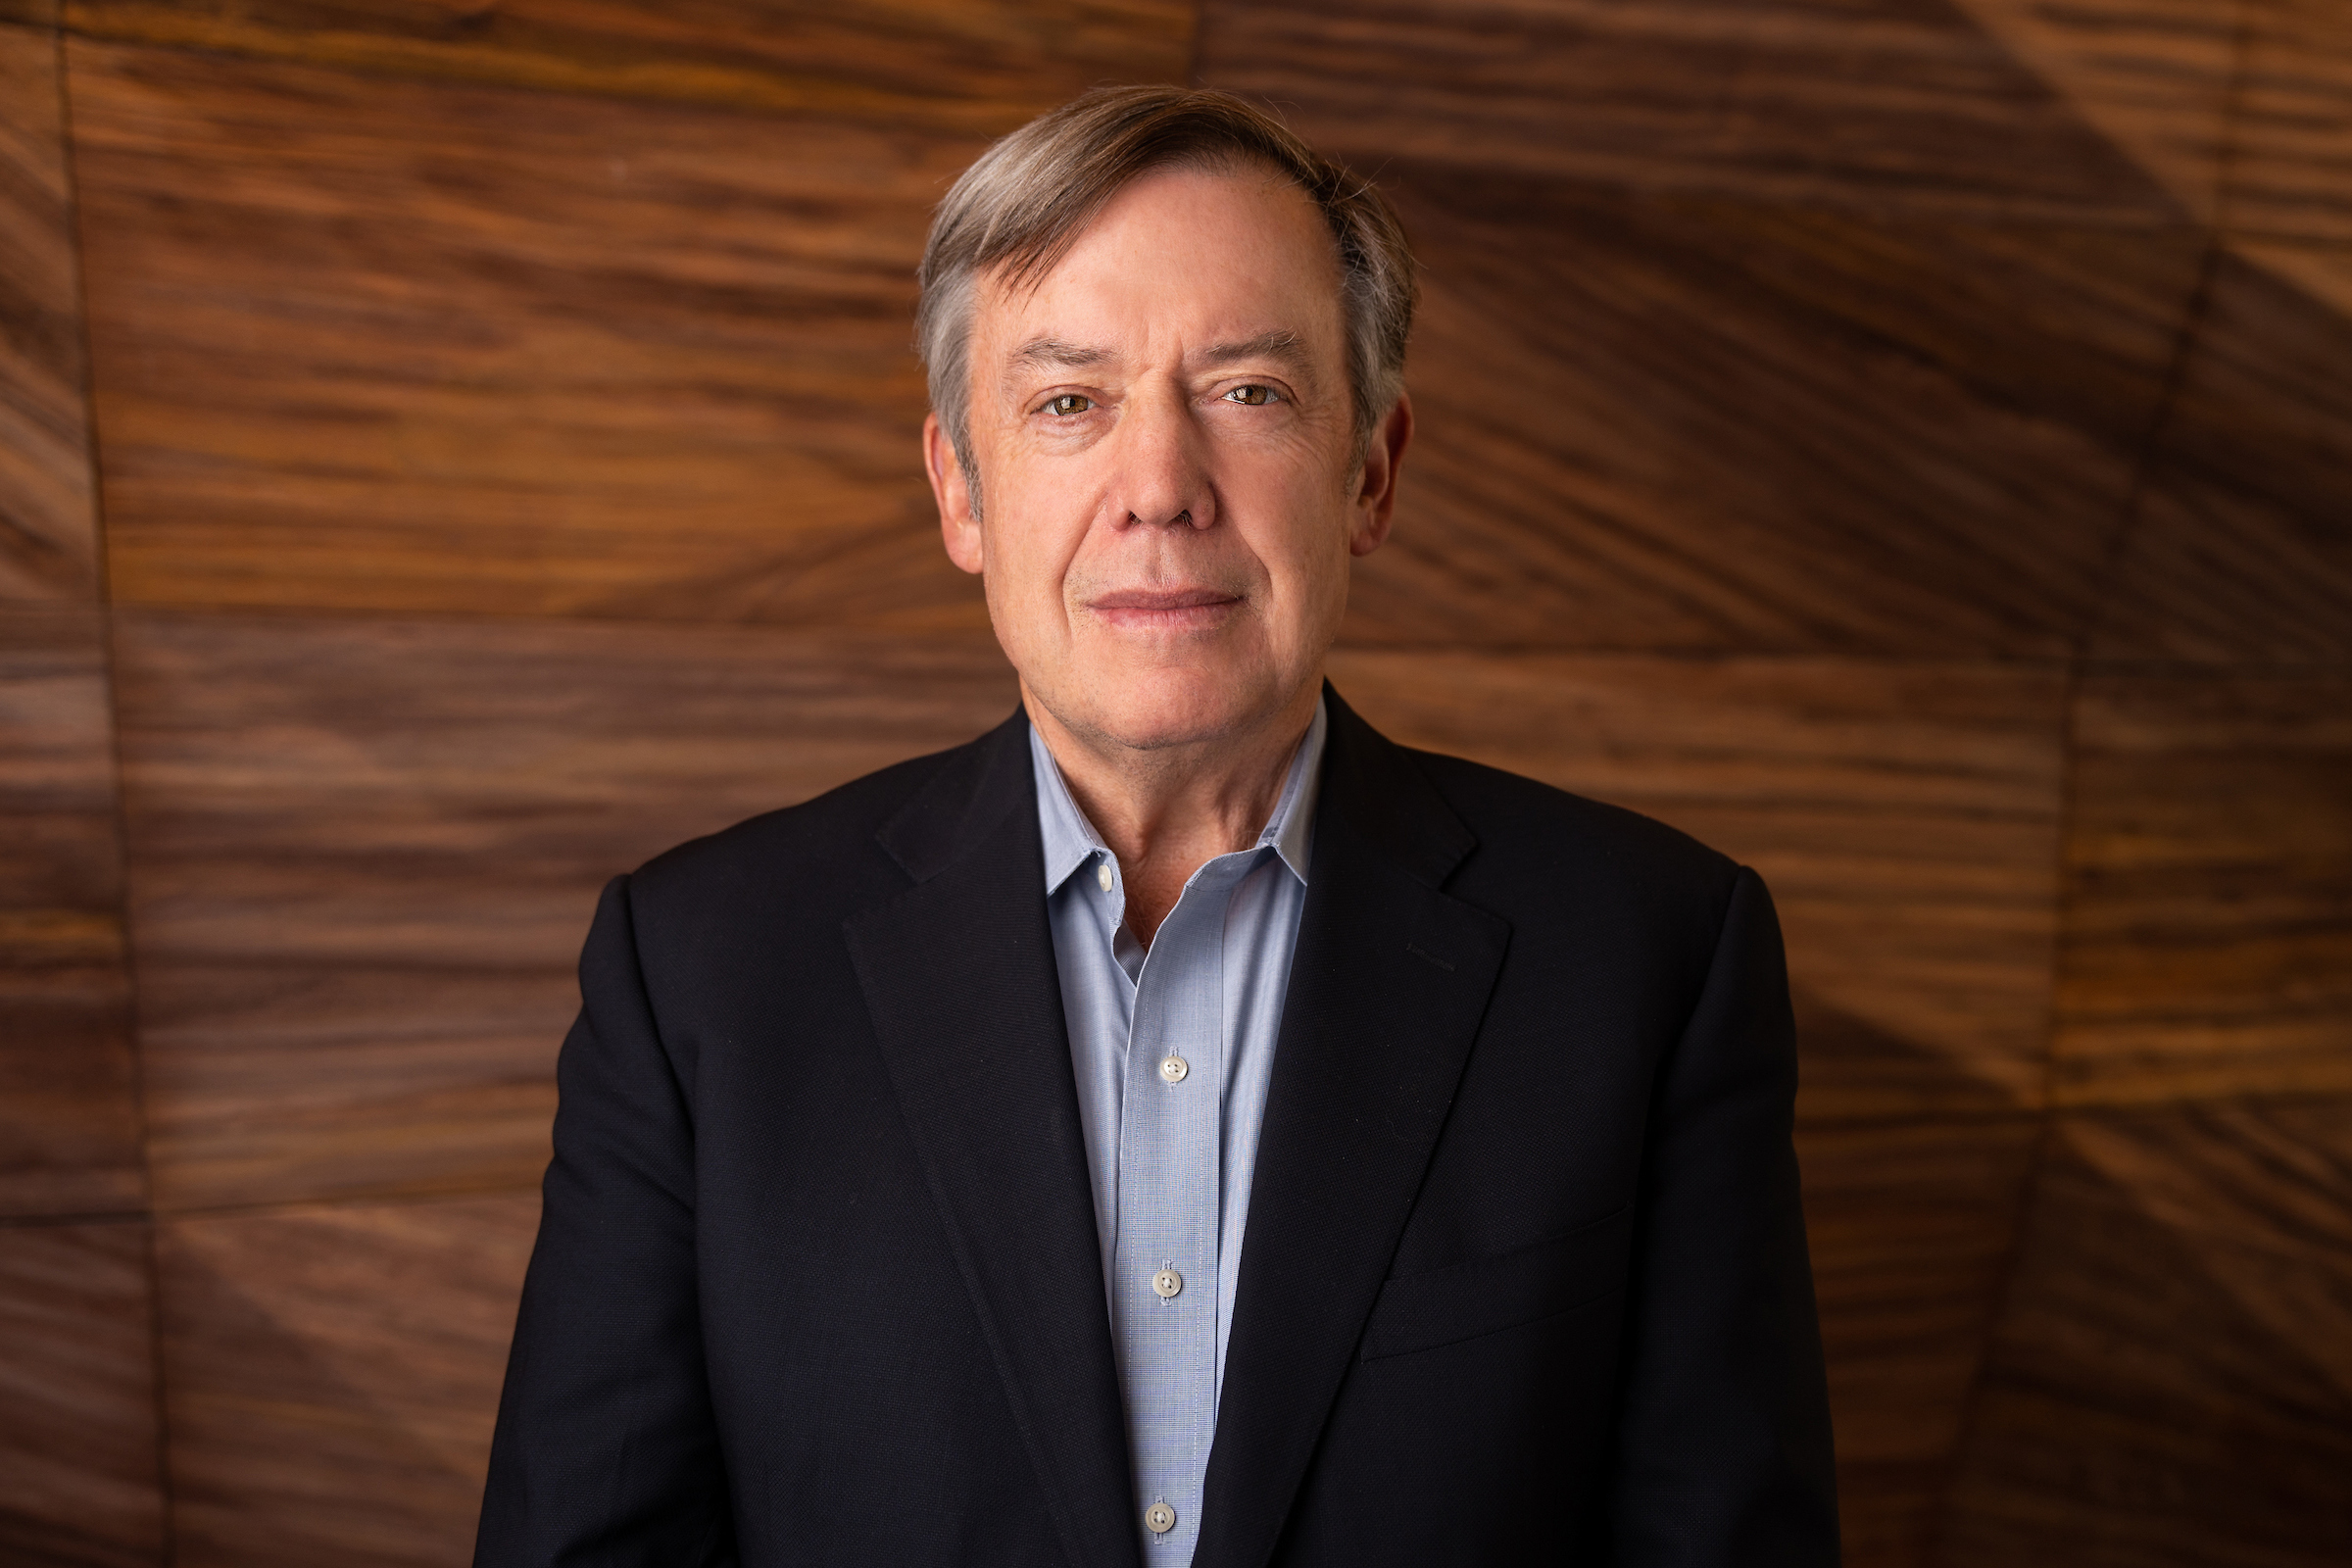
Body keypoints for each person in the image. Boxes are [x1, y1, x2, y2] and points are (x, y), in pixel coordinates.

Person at [475, 84, 1838, 1567]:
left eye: (1249, 392)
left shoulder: (1648, 962)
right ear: (961, 492)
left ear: (1370, 472)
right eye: (1069, 403)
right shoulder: (702, 976)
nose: (1161, 489)